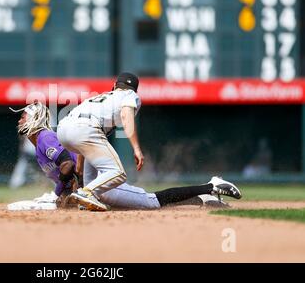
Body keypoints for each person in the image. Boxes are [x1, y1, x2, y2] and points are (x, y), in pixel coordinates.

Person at [57, 72, 241, 211]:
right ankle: (86, 193)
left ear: (114, 85)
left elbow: (79, 135)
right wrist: (136, 148)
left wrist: (79, 168)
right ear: (134, 90)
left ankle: (209, 189)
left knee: (104, 188)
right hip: (86, 131)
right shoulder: (129, 96)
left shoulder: (96, 99)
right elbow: (126, 115)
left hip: (64, 129)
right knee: (118, 173)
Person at [11, 101, 242, 211]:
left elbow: (68, 165)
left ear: (35, 118)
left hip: (100, 185)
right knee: (136, 203)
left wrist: (58, 193)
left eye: (23, 116)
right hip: (93, 183)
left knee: (151, 201)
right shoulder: (40, 141)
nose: (20, 119)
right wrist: (62, 193)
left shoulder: (44, 138)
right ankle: (203, 199)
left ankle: (210, 186)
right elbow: (73, 167)